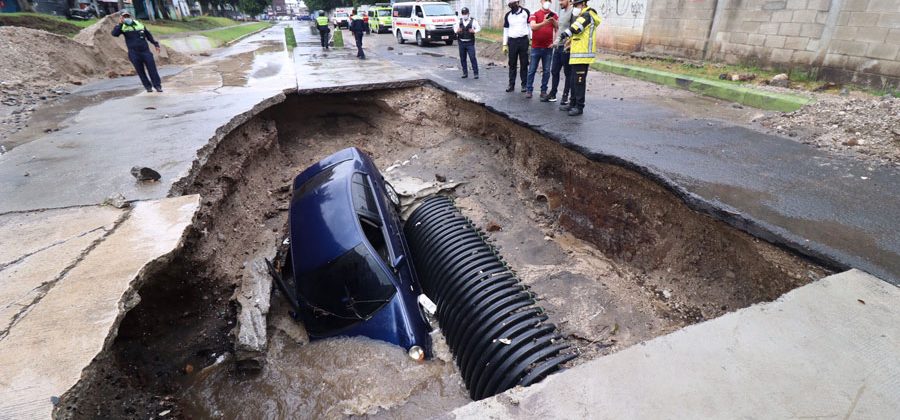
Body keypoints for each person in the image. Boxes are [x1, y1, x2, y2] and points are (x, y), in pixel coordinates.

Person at [558, 0, 601, 116]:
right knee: (573, 81)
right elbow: (579, 35)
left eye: (576, 5)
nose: (574, 7)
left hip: (583, 55)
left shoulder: (587, 15)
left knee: (579, 82)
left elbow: (576, 28)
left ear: (583, 4)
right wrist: (569, 42)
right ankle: (572, 103)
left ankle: (579, 106)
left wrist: (564, 34)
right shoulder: (582, 15)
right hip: (576, 55)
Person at [111, 11, 162, 93]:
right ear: (121, 18)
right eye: (124, 17)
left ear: (130, 16)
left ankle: (157, 86)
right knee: (140, 71)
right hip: (133, 53)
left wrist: (156, 44)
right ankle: (148, 87)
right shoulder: (122, 27)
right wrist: (120, 24)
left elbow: (148, 35)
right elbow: (114, 34)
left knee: (152, 69)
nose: (126, 18)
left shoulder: (139, 24)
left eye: (127, 16)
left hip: (145, 51)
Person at [525, 0, 557, 99]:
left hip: (548, 47)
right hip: (536, 47)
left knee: (546, 71)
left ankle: (543, 91)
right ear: (541, 1)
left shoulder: (554, 15)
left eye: (549, 0)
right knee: (532, 70)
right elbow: (533, 27)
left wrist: (553, 21)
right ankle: (529, 90)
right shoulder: (535, 14)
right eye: (545, 0)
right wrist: (544, 22)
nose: (547, 2)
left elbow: (557, 28)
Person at [544, 0, 573, 104]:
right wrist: (552, 20)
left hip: (566, 47)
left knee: (567, 73)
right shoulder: (562, 11)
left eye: (561, 0)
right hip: (557, 46)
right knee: (554, 71)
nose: (560, 2)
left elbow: (573, 30)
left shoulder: (573, 12)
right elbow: (559, 28)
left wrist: (568, 44)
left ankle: (565, 96)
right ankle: (553, 94)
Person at [502, 0, 531, 93]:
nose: (511, 6)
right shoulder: (508, 15)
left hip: (523, 41)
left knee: (524, 63)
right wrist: (504, 44)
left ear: (517, 3)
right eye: (510, 5)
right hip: (512, 42)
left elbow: (529, 26)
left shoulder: (526, 12)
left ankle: (524, 85)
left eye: (513, 4)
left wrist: (531, 39)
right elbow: (506, 30)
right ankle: (511, 85)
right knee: (512, 64)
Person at [456, 7, 481, 79]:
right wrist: (457, 30)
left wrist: (474, 31)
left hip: (470, 43)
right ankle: (465, 73)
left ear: (468, 13)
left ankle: (476, 73)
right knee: (463, 58)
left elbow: (478, 28)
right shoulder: (459, 21)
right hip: (461, 42)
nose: (464, 15)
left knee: (472, 57)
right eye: (463, 13)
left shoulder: (473, 21)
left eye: (466, 13)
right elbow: (455, 28)